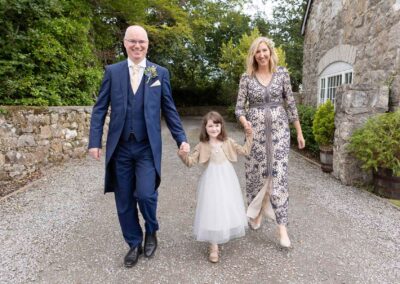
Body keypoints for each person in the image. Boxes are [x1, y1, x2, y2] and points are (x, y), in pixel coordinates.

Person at [88, 25, 190, 267]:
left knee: (145, 194)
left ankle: (151, 229)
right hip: (120, 148)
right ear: (124, 43)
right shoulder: (113, 72)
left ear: (147, 44)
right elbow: (100, 108)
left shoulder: (156, 73)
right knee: (124, 201)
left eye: (141, 42)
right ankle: (134, 243)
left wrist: (181, 138)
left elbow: (169, 108)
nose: (137, 46)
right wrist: (94, 142)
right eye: (132, 41)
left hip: (145, 148)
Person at [235, 36, 305, 248]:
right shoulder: (246, 78)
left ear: (270, 52)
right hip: (254, 137)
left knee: (278, 177)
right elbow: (239, 108)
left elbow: (291, 105)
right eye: (258, 51)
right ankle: (256, 212)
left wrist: (299, 133)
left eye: (265, 50)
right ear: (253, 55)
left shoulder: (282, 73)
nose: (262, 55)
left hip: (280, 135)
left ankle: (282, 228)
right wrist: (245, 122)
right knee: (257, 176)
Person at [178, 111, 253, 263]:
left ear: (221, 126)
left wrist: (249, 135)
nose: (214, 129)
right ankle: (214, 246)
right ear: (205, 128)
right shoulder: (202, 145)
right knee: (212, 208)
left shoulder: (228, 142)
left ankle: (222, 232)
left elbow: (245, 151)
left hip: (227, 179)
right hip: (211, 180)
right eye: (210, 126)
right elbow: (190, 162)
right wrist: (183, 155)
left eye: (217, 125)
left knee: (225, 206)